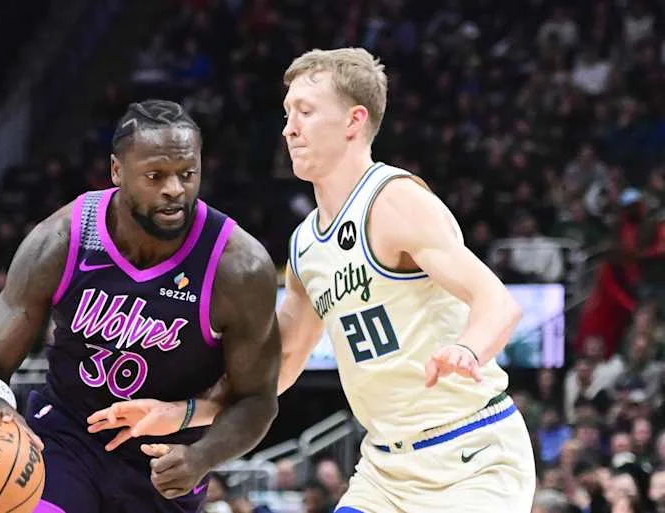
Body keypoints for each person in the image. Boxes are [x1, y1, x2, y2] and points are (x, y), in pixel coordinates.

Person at [88, 49, 537, 512]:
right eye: (287, 114)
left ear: (353, 121)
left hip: (470, 455)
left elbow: (497, 303)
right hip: (386, 469)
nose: (288, 128)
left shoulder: (395, 201)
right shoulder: (305, 245)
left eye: (305, 111)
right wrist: (184, 412)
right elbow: (277, 365)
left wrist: (468, 349)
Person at [0, 100, 282, 512]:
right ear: (116, 171)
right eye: (155, 176)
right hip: (64, 436)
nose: (175, 189)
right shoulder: (62, 239)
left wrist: (203, 457)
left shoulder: (238, 267)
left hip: (163, 461)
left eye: (187, 174)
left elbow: (258, 400)